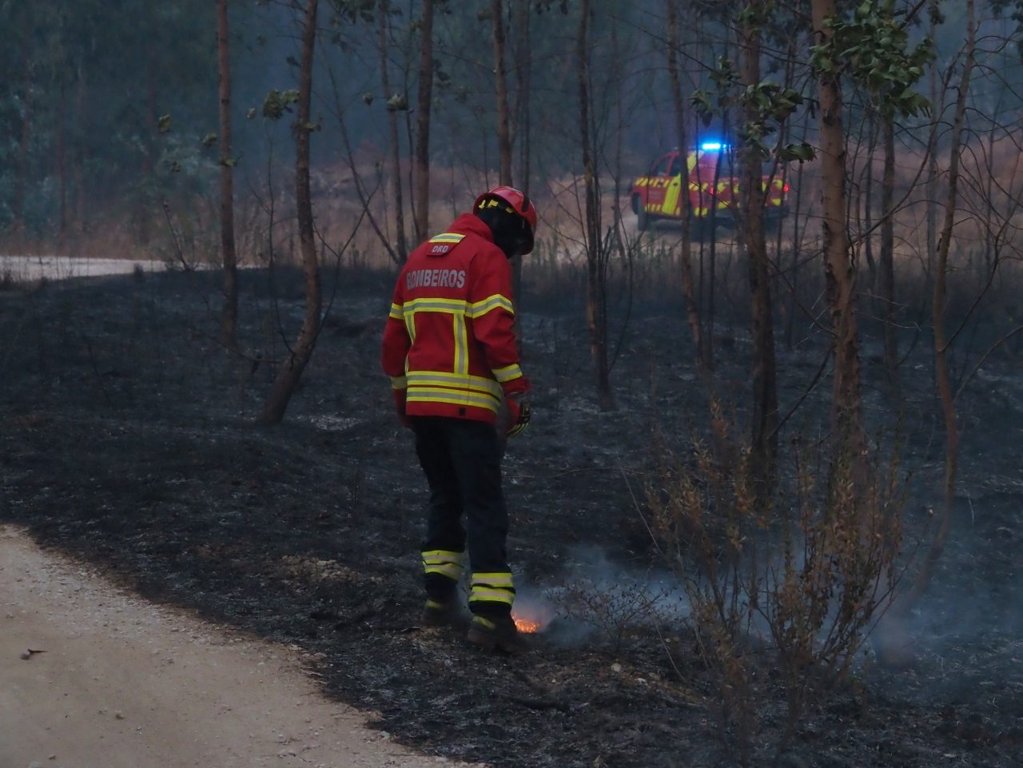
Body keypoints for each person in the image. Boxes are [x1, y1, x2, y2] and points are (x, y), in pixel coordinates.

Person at [380, 186, 536, 654]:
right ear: (509, 226)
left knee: (444, 497)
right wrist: (517, 393)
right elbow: (494, 333)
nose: (513, 254)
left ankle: (438, 600)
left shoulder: (420, 257)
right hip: (468, 409)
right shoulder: (486, 258)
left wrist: (403, 399)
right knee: (484, 504)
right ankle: (490, 618)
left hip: (423, 408)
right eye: (517, 243)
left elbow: (393, 341)